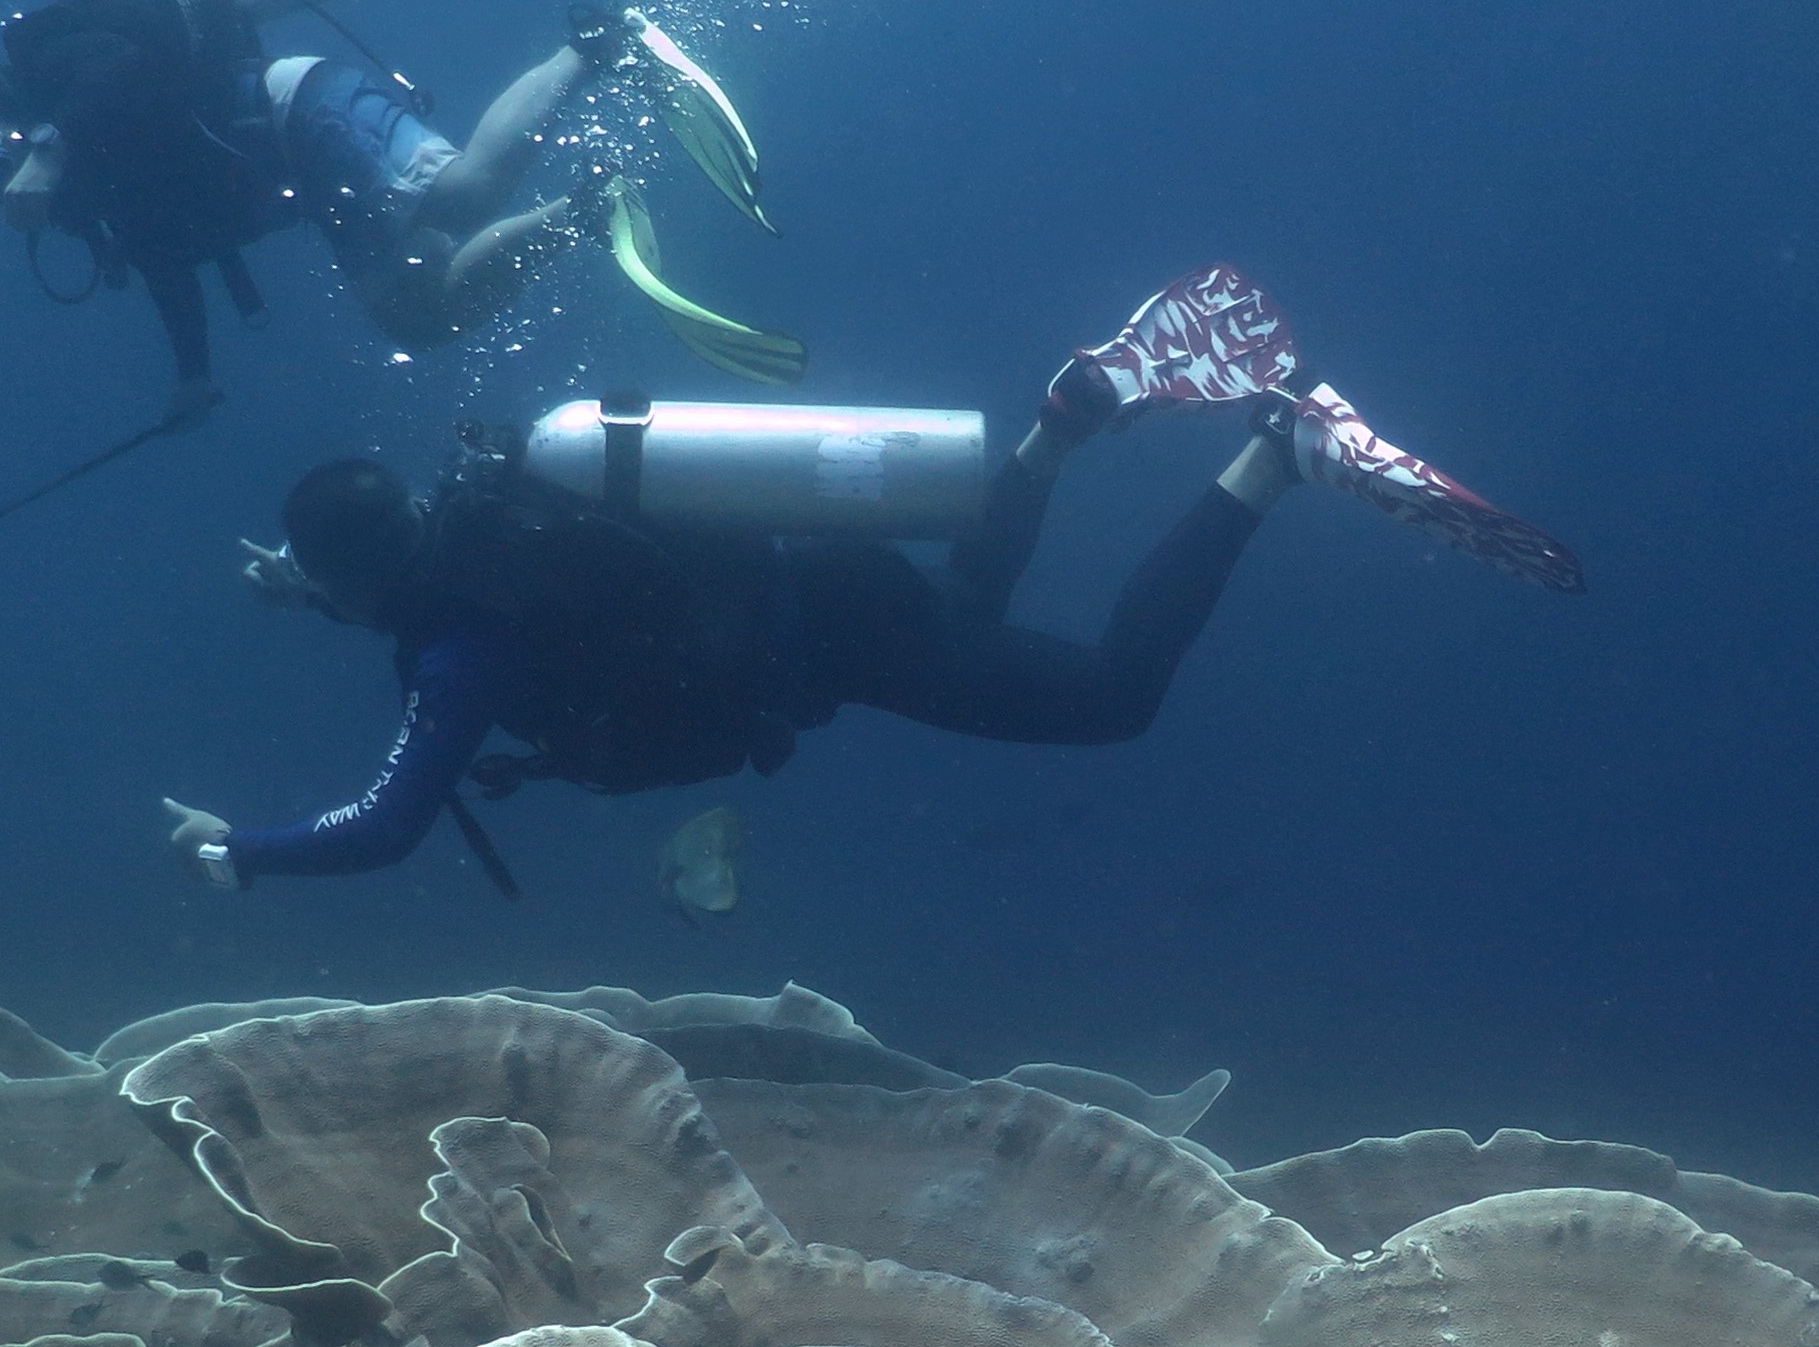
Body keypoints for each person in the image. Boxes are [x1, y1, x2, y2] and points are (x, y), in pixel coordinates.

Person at [157, 272, 1582, 887]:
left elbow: (390, 824)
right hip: (825, 590)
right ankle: (1063, 422)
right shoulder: (490, 502)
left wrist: (246, 857)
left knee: (1109, 701)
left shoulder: (458, 654)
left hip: (829, 644)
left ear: (369, 582)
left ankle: (1282, 448)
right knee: (965, 610)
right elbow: (383, 571)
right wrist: (305, 578)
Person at [0, 0, 630, 432]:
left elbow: (127, 65)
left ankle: (592, 44)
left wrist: (51, 151)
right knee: (420, 314)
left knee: (461, 197)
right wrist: (193, 373)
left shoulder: (53, 77)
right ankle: (587, 209)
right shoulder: (66, 196)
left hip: (297, 108)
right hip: (300, 181)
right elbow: (161, 254)